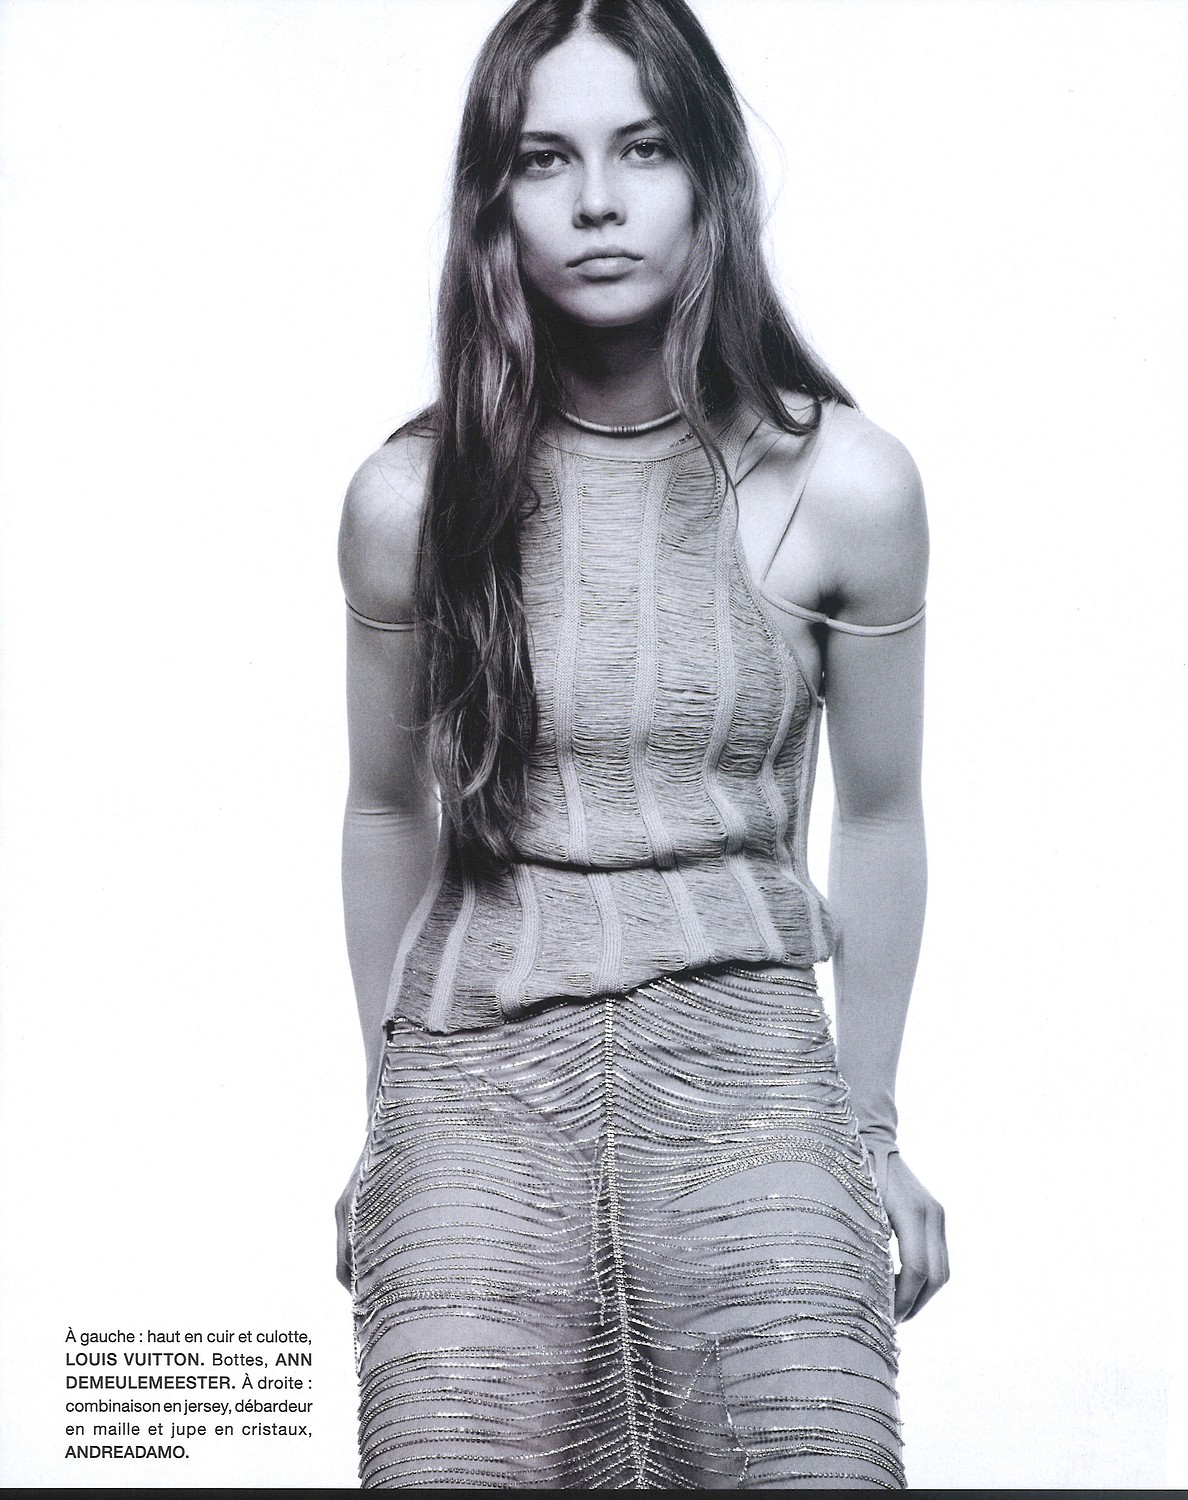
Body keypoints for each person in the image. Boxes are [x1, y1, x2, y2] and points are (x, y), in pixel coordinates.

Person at [335, 0, 948, 1487]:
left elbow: (879, 817)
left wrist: (869, 1126)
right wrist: (384, 1122)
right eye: (546, 157)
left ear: (711, 171)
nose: (598, 200)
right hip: (473, 1094)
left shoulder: (847, 485)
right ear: (494, 199)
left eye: (645, 148)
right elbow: (384, 813)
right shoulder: (410, 501)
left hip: (751, 1078)